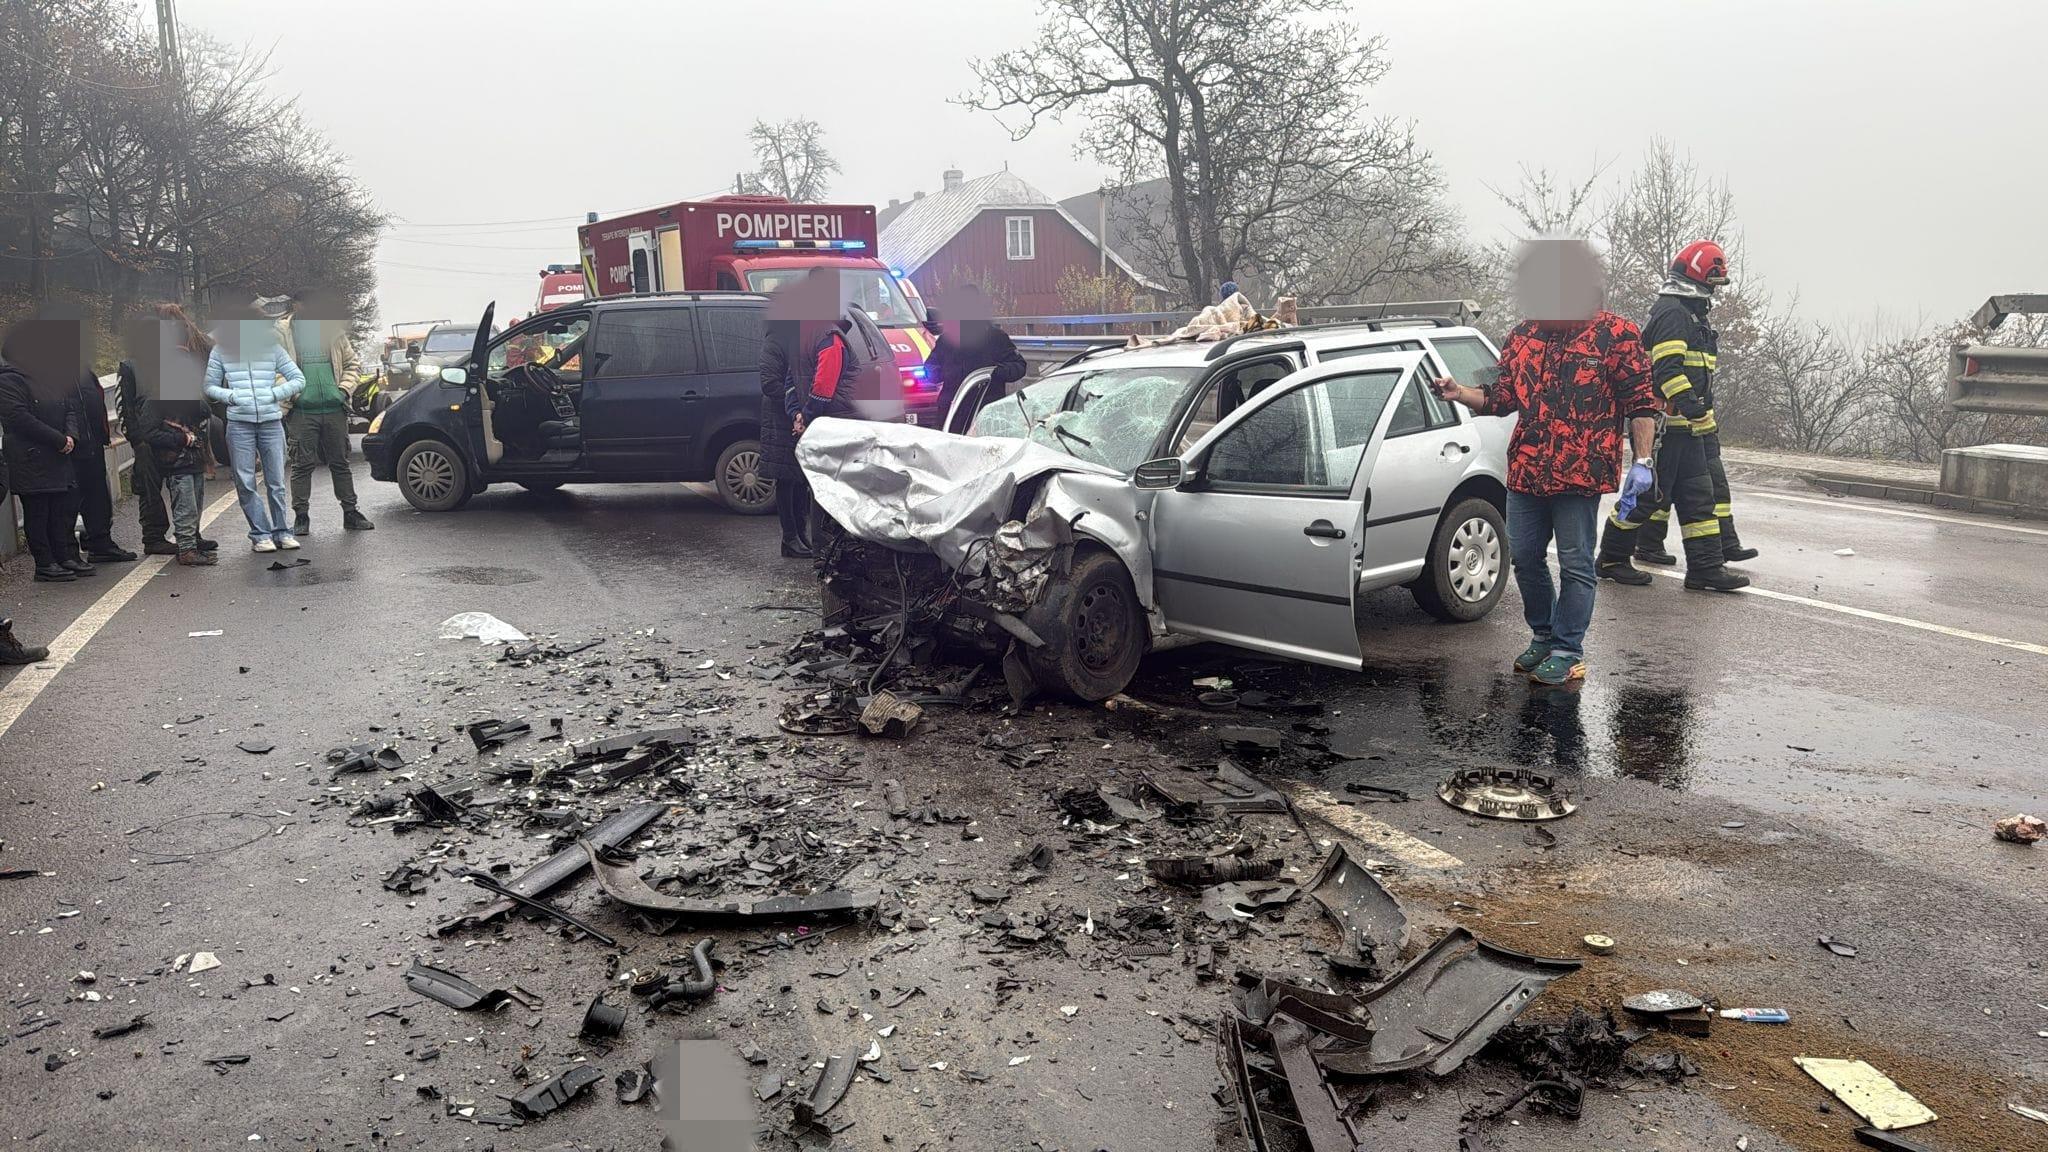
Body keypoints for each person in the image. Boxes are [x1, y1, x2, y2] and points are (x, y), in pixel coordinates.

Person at [1430, 237, 1661, 686]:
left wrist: (1643, 460)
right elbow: (1501, 396)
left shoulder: (1617, 334)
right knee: (1527, 558)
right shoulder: (1522, 335)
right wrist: (1460, 393)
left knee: (1576, 563)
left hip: (1581, 474)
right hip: (1527, 470)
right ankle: (1542, 637)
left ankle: (1568, 650)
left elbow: (1640, 403)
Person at [1594, 240, 1751, 592]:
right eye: (1713, 279)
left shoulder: (1691, 313)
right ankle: (1611, 558)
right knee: (1646, 496)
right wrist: (1693, 406)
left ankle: (1705, 569)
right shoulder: (1673, 313)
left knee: (1699, 497)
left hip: (1688, 431)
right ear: (1698, 276)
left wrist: (1698, 416)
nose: (1715, 287)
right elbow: (1665, 369)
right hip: (1664, 429)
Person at [118, 304, 220, 556]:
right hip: (147, 435)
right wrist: (137, 438)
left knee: (186, 486)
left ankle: (191, 535)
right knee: (149, 488)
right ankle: (153, 537)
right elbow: (126, 406)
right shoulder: (130, 366)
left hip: (174, 431)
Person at [205, 306, 304, 552]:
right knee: (245, 481)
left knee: (277, 481)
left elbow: (298, 378)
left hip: (271, 422)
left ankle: (283, 531)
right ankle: (260, 534)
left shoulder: (273, 349)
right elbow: (209, 386)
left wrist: (273, 394)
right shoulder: (221, 351)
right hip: (239, 424)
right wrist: (232, 396)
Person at [1, 320, 89, 582]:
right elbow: (18, 417)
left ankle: (63, 556)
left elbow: (69, 405)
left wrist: (70, 435)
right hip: (33, 456)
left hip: (58, 454)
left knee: (59, 511)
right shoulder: (9, 380)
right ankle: (44, 562)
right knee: (38, 512)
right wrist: (57, 439)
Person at [284, 302, 373, 535]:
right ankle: (301, 517)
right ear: (296, 305)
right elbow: (273, 368)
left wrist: (343, 390)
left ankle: (351, 513)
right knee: (301, 465)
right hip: (302, 412)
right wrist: (292, 394)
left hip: (334, 409)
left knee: (340, 463)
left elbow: (352, 364)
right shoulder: (282, 333)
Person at [922, 286, 1028, 422]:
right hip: (953, 410)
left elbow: (1018, 366)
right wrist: (944, 373)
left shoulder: (995, 337)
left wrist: (997, 372)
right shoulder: (947, 339)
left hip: (987, 410)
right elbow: (931, 368)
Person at [69, 361, 137, 563]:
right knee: (70, 501)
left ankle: (100, 544)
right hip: (71, 446)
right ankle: (69, 553)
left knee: (97, 497)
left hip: (92, 444)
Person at [758, 318, 810, 558]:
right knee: (786, 480)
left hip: (795, 416)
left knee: (799, 480)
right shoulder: (775, 341)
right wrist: (795, 403)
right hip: (780, 420)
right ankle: (790, 539)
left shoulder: (797, 339)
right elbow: (770, 384)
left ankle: (800, 535)